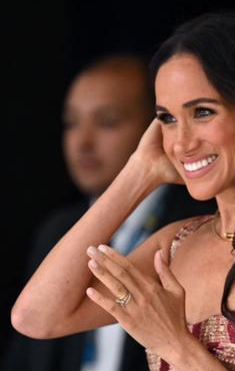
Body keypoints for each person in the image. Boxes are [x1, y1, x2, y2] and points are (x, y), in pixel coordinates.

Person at [11, 14, 235, 370]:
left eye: (202, 112)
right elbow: (36, 317)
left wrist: (173, 344)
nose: (181, 143)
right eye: (167, 119)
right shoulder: (174, 244)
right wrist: (139, 173)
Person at [1, 55, 214, 371]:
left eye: (107, 121)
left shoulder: (195, 224)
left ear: (153, 127)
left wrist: (140, 172)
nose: (82, 141)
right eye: (71, 122)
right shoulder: (58, 229)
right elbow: (27, 339)